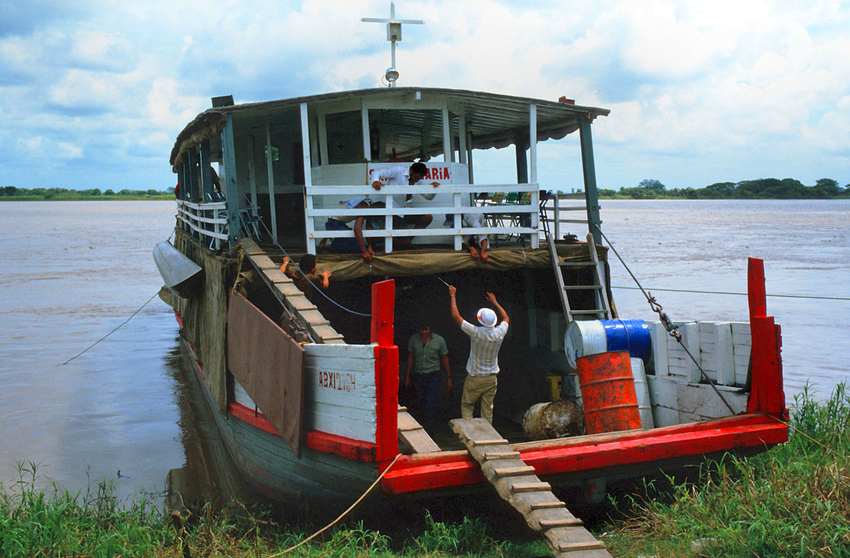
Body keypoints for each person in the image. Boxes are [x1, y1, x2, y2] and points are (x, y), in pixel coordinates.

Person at [448, 285, 509, 424]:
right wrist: (495, 302)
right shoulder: (499, 333)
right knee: (487, 410)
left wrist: (452, 295)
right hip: (491, 379)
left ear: (479, 319)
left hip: (475, 378)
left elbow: (455, 316)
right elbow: (505, 318)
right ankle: (489, 437)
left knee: (467, 405)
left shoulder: (476, 333)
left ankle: (469, 434)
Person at [370, 162, 439, 247]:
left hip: (404, 211)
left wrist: (433, 189)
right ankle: (400, 241)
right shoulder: (398, 171)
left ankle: (406, 240)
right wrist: (375, 181)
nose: (417, 180)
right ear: (411, 170)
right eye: (416, 177)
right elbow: (376, 172)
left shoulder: (419, 181)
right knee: (401, 238)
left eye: (419, 178)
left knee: (427, 217)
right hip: (393, 210)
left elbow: (428, 197)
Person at [405, 323, 452, 427]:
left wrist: (449, 378)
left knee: (431, 403)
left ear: (429, 328)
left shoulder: (439, 340)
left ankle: (430, 429)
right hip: (418, 375)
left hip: (433, 375)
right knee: (420, 401)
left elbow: (445, 358)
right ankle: (419, 426)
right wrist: (407, 376)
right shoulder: (414, 339)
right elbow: (411, 357)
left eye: (426, 330)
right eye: (422, 330)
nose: (424, 332)